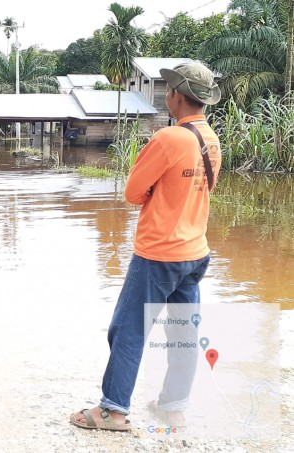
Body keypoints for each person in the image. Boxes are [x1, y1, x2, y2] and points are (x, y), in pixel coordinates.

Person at [70, 62, 222, 431]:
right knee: (183, 333)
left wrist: (157, 190)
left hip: (158, 255)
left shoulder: (169, 139)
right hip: (195, 253)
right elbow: (205, 188)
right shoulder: (211, 139)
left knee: (129, 330)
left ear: (176, 96)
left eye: (168, 88)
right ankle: (173, 409)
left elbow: (132, 192)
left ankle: (112, 411)